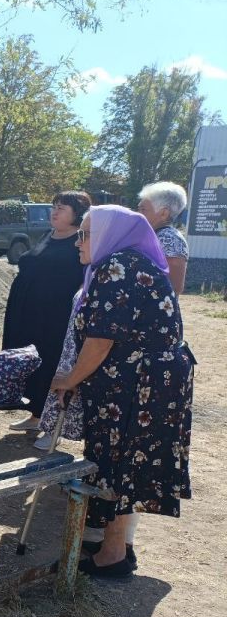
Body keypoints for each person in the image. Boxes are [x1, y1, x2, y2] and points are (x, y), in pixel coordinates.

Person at [50, 205, 194, 580]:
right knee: (125, 461)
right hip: (143, 379)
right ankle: (116, 545)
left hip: (137, 383)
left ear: (110, 235)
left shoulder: (119, 266)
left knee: (119, 460)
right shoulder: (130, 262)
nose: (78, 242)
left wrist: (68, 379)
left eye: (85, 234)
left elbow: (100, 340)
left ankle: (113, 554)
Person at [2, 191, 90, 434]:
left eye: (62, 208)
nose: (55, 211)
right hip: (28, 312)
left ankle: (53, 427)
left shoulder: (81, 241)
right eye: (54, 206)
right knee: (33, 362)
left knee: (52, 361)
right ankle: (37, 415)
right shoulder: (47, 235)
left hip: (55, 316)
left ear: (77, 214)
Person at [137, 181, 189, 296]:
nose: (138, 214)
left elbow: (174, 287)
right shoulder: (153, 234)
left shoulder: (170, 238)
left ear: (163, 213)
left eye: (143, 210)